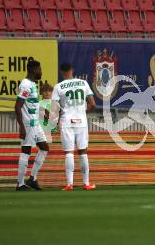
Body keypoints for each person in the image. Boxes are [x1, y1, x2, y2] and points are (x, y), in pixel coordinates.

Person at [52, 63, 96, 191]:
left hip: (66, 122)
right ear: (72, 70)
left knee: (69, 153)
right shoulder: (83, 83)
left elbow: (54, 109)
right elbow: (92, 104)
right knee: (83, 152)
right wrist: (83, 112)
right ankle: (86, 183)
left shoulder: (58, 87)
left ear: (61, 72)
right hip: (81, 121)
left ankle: (69, 184)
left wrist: (54, 123)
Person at [14, 60, 49, 191]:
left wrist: (43, 112)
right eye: (40, 69)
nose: (41, 72)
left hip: (36, 123)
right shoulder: (25, 85)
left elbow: (32, 103)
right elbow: (18, 106)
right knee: (26, 151)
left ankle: (32, 178)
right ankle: (20, 184)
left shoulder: (33, 84)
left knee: (44, 148)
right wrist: (21, 126)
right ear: (33, 70)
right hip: (28, 124)